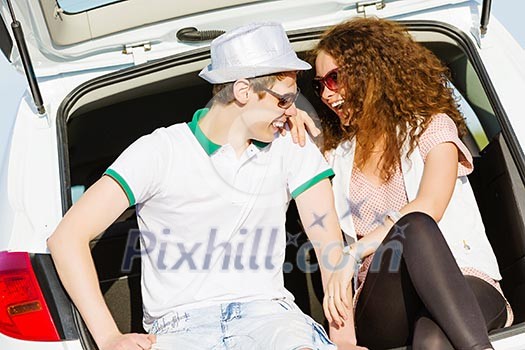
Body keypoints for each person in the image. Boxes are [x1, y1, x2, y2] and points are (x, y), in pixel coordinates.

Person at [47, 22, 364, 350]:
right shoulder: (159, 151)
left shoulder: (291, 146)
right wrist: (109, 338)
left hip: (271, 319)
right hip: (178, 328)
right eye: (285, 100)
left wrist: (343, 340)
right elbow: (67, 237)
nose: (292, 111)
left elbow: (329, 247)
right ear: (243, 92)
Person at [311, 17, 513, 350]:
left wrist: (355, 251)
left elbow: (429, 206)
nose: (326, 95)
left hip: (463, 278)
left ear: (371, 72)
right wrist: (342, 334)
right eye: (320, 85)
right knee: (411, 226)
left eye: (334, 78)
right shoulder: (335, 156)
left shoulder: (432, 127)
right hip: (385, 298)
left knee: (432, 338)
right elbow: (326, 242)